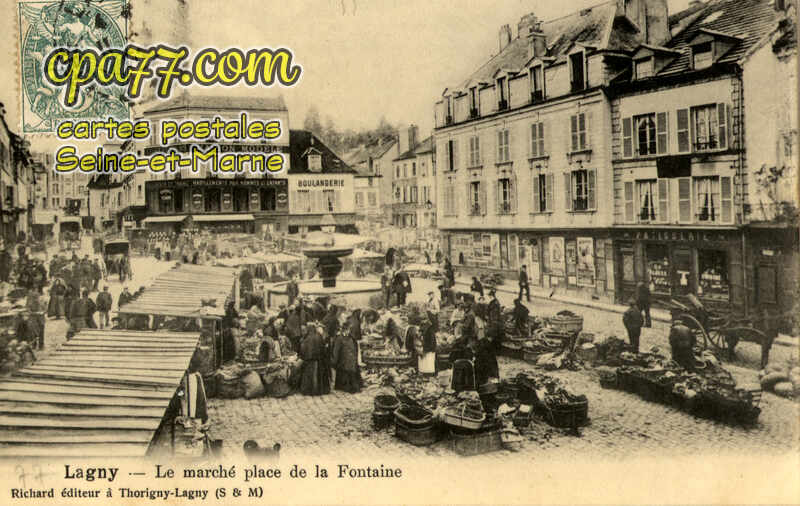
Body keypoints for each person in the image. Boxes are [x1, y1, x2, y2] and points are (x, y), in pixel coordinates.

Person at [299, 324, 331, 395]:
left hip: (310, 361)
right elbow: (323, 348)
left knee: (310, 377)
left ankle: (310, 390)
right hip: (320, 361)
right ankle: (322, 390)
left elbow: (303, 350)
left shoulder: (307, 338)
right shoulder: (319, 336)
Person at [332, 320, 361, 393]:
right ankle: (344, 387)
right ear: (344, 330)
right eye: (347, 330)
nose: (348, 332)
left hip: (350, 360)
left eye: (349, 330)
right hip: (343, 361)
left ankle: (351, 386)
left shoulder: (351, 337)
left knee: (351, 373)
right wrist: (335, 360)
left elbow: (355, 347)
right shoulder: (339, 338)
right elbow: (336, 350)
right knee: (345, 373)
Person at [418, 311, 438, 376]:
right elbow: (421, 331)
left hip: (430, 347)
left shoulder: (430, 328)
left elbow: (431, 340)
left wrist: (427, 349)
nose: (422, 322)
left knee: (429, 361)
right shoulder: (423, 325)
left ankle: (429, 374)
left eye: (423, 320)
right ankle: (425, 373)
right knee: (425, 362)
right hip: (426, 345)